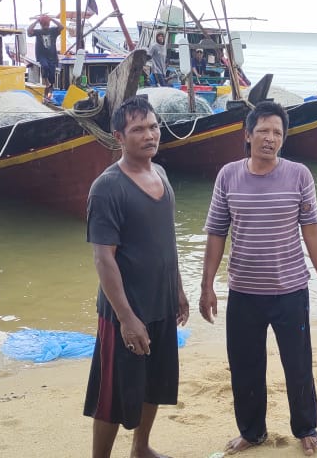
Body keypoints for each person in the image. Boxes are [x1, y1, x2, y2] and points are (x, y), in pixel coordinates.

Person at [200, 100, 317, 456]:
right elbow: (216, 233)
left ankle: (306, 427)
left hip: (290, 290)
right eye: (262, 131)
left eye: (277, 132)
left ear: (283, 138)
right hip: (244, 292)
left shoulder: (299, 175)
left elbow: (312, 232)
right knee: (245, 366)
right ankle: (252, 431)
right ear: (247, 135)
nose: (270, 138)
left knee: (298, 363)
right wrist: (207, 286)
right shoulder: (228, 175)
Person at [83, 95, 189, 458]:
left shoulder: (160, 173)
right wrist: (127, 318)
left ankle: (141, 448)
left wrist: (178, 288)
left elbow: (166, 239)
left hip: (161, 302)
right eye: (138, 129)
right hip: (124, 311)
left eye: (153, 126)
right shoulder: (107, 187)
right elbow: (103, 259)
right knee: (112, 393)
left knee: (155, 383)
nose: (149, 135)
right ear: (119, 137)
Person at [27, 15, 63, 103]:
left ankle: (48, 96)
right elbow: (29, 30)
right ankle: (46, 84)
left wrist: (52, 19)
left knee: (52, 78)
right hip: (42, 56)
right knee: (45, 66)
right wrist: (36, 21)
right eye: (44, 24)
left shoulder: (53, 31)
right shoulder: (38, 32)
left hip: (52, 57)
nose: (45, 26)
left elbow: (61, 27)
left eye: (47, 24)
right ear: (41, 25)